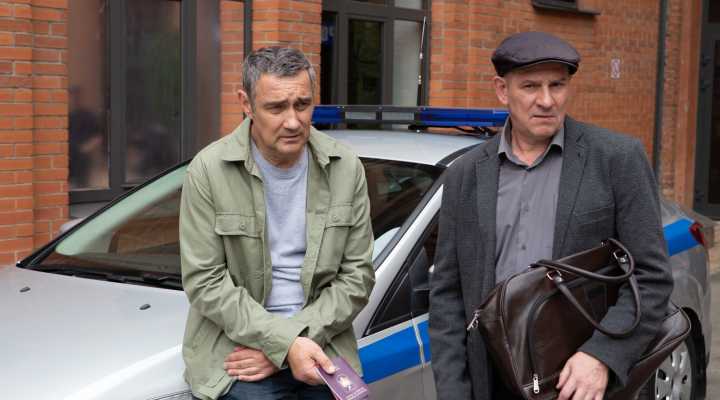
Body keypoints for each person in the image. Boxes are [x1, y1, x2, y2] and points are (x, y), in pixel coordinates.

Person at [428, 31, 673, 400]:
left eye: (557, 85)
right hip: (491, 382)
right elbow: (448, 295)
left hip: (580, 382)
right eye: (530, 86)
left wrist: (602, 356)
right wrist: (454, 391)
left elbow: (651, 278)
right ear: (502, 90)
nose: (546, 100)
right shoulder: (465, 175)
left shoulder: (616, 159)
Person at [179, 47, 375, 400]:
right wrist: (285, 345)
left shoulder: (345, 167)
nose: (293, 121)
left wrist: (289, 344)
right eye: (276, 107)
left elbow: (357, 276)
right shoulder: (208, 170)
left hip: (324, 342)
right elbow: (204, 281)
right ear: (246, 103)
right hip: (238, 354)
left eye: (302, 104)